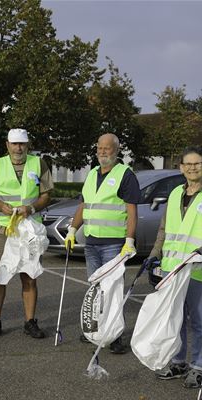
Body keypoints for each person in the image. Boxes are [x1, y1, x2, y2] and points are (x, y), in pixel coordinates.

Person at [145, 147, 202, 388]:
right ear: (181, 167)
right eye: (188, 164)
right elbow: (164, 230)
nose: (192, 168)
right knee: (176, 318)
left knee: (198, 319)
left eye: (197, 163)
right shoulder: (174, 194)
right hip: (173, 269)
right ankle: (179, 361)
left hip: (198, 270)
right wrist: (154, 254)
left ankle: (198, 365)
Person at [64, 133, 140, 353]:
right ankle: (95, 331)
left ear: (117, 150)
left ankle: (115, 335)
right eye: (99, 148)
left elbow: (131, 211)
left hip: (114, 245)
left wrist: (129, 240)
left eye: (107, 148)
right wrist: (72, 230)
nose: (102, 152)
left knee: (113, 290)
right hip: (92, 243)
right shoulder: (92, 174)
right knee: (95, 290)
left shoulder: (125, 174)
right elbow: (84, 205)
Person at [0, 128, 53, 339]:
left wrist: (30, 208)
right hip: (3, 228)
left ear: (28, 145)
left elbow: (46, 195)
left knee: (29, 276)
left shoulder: (39, 163)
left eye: (22, 143)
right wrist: (1, 206)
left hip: (29, 228)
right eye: (14, 144)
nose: (18, 148)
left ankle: (30, 322)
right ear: (7, 145)